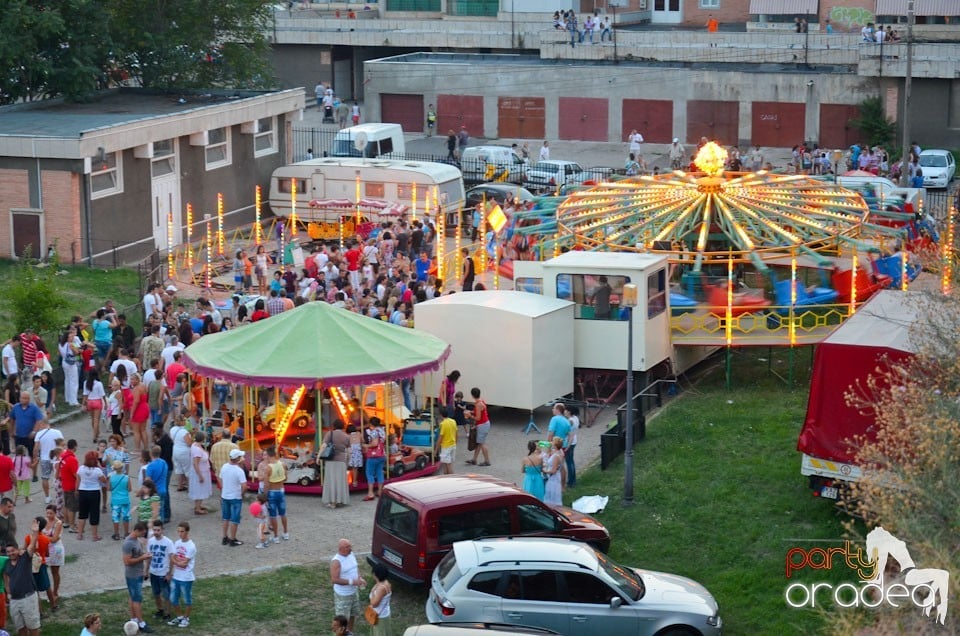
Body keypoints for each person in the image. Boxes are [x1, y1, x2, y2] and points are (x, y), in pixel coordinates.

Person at [4, 519, 41, 636]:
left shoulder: (25, 558)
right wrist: (8, 593)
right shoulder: (7, 563)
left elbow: (32, 545)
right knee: (20, 628)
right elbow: (7, 578)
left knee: (33, 627)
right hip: (14, 601)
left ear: (18, 549)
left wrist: (35, 533)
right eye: (8, 552)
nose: (10, 553)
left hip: (28, 599)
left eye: (13, 551)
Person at [122, 521, 154, 633]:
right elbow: (127, 561)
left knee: (132, 596)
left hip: (137, 573)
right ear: (137, 531)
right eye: (143, 533)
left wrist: (144, 555)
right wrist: (143, 558)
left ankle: (133, 619)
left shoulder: (136, 540)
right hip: (133, 575)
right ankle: (141, 622)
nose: (143, 535)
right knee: (137, 599)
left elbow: (136, 555)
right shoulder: (128, 543)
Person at [330, 538, 365, 634]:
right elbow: (334, 579)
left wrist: (359, 578)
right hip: (343, 595)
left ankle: (349, 633)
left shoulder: (351, 554)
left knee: (353, 614)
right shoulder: (336, 561)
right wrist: (352, 582)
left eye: (350, 546)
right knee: (342, 621)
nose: (351, 548)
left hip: (354, 592)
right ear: (341, 549)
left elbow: (355, 568)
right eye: (348, 547)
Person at [167, 521, 196, 628]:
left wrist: (175, 560)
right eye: (178, 531)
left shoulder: (191, 546)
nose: (180, 534)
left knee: (187, 599)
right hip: (176, 576)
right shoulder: (177, 543)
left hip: (186, 577)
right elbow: (173, 557)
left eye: (182, 531)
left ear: (187, 531)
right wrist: (177, 561)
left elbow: (184, 564)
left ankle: (186, 618)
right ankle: (179, 617)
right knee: (173, 598)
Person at [218, 449, 247, 547]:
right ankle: (232, 539)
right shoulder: (239, 471)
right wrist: (241, 494)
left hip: (225, 495)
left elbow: (220, 479)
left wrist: (224, 489)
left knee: (226, 518)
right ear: (238, 458)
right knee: (235, 519)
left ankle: (224, 537)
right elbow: (244, 486)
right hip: (235, 497)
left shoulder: (224, 466)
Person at [147, 520, 174, 623]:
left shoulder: (168, 542)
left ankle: (167, 613)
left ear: (162, 530)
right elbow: (149, 556)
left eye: (158, 530)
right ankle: (160, 610)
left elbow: (172, 559)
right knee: (156, 593)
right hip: (153, 572)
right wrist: (146, 571)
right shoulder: (150, 541)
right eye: (154, 530)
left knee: (166, 595)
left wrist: (169, 573)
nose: (156, 532)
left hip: (163, 573)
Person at [77, 450, 106, 541]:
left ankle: (80, 534)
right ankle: (94, 536)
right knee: (94, 513)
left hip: (83, 491)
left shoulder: (81, 468)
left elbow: (78, 480)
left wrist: (76, 490)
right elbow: (103, 480)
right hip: (94, 492)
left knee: (82, 514)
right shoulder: (97, 470)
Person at [321, 421, 351, 509]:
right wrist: (347, 461)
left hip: (330, 460)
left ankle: (332, 502)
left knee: (331, 480)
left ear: (333, 426)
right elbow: (349, 451)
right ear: (343, 427)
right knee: (340, 481)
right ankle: (340, 500)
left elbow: (323, 446)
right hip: (341, 461)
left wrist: (318, 456)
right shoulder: (346, 436)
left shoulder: (329, 434)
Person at [262, 447, 289, 541]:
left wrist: (264, 495)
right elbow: (286, 478)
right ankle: (285, 533)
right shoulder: (283, 464)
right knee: (283, 513)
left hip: (272, 492)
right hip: (281, 490)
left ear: (268, 455)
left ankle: (276, 536)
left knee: (273, 515)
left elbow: (266, 484)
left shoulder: (268, 468)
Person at [41, 505, 63, 605]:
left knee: (55, 571)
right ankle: (49, 592)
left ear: (55, 513)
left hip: (55, 549)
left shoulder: (58, 523)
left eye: (51, 513)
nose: (49, 515)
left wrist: (42, 537)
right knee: (44, 571)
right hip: (45, 549)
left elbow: (54, 539)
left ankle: (55, 592)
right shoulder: (44, 521)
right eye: (47, 513)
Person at [465, 387, 491, 467]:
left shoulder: (478, 404)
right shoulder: (481, 401)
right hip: (485, 424)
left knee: (481, 443)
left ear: (472, 395)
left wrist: (470, 415)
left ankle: (487, 461)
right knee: (479, 443)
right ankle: (474, 459)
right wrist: (471, 412)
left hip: (482, 425)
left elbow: (478, 418)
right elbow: (479, 412)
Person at [362, 418, 386, 500]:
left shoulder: (374, 432)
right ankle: (380, 491)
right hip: (382, 454)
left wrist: (366, 446)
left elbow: (375, 443)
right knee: (379, 472)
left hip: (373, 455)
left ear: (370, 424)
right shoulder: (382, 431)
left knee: (369, 473)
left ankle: (370, 493)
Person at [188, 431, 211, 515]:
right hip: (200, 472)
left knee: (198, 489)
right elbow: (195, 463)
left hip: (202, 470)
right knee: (200, 490)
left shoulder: (194, 445)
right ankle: (197, 508)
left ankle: (198, 505)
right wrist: (200, 475)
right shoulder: (197, 450)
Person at [110, 460, 133, 541]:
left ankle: (116, 534)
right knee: (125, 517)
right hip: (125, 500)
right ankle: (126, 533)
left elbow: (109, 488)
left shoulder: (111, 477)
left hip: (115, 500)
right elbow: (130, 489)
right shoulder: (126, 477)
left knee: (115, 517)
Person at [368, 563, 392, 636]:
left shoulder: (381, 588)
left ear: (375, 574)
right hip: (383, 613)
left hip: (379, 616)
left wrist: (372, 594)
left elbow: (374, 604)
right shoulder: (386, 583)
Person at [82, 370, 105, 443]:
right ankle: (95, 436)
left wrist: (83, 404)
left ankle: (96, 433)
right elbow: (102, 394)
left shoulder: (86, 383)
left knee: (92, 419)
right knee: (96, 420)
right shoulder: (99, 384)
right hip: (97, 401)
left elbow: (85, 394)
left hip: (89, 402)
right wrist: (106, 403)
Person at [543, 436, 565, 506]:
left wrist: (544, 471)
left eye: (552, 441)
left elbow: (553, 471)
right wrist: (549, 446)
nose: (551, 442)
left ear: (555, 445)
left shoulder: (556, 456)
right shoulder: (558, 452)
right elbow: (548, 452)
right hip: (554, 477)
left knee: (552, 493)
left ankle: (553, 506)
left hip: (554, 477)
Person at [564, 405, 580, 488]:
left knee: (569, 462)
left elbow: (566, 431)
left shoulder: (570, 421)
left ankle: (571, 482)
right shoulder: (576, 418)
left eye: (566, 410)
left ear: (569, 412)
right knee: (571, 461)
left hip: (569, 442)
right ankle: (573, 480)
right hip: (574, 441)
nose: (564, 412)